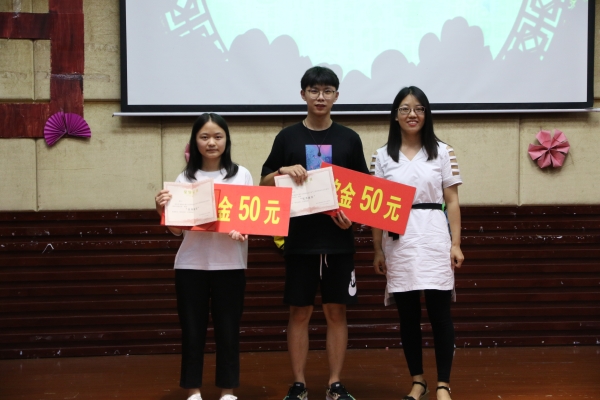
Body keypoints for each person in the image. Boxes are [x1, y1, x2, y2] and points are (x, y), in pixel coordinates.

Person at [260, 66, 370, 400]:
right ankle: (299, 385)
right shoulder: (287, 137)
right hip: (299, 240)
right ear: (303, 94)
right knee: (299, 312)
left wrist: (352, 219)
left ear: (336, 96)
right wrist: (281, 170)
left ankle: (335, 384)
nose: (320, 97)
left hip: (338, 242)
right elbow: (264, 184)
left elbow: (363, 192)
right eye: (313, 90)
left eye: (327, 91)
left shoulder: (349, 138)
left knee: (337, 312)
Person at [371, 86, 464, 400]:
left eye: (419, 108)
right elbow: (375, 208)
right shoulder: (382, 156)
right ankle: (418, 381)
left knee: (440, 315)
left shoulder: (443, 151)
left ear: (427, 114)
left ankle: (443, 384)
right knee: (408, 316)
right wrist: (377, 249)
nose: (412, 114)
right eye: (405, 108)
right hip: (399, 241)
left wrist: (456, 244)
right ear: (395, 115)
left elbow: (452, 201)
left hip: (434, 236)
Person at [155, 113, 253, 400]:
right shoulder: (185, 178)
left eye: (218, 136)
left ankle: (227, 391)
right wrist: (162, 210)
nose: (212, 142)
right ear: (195, 141)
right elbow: (177, 230)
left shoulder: (241, 175)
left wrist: (243, 230)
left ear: (226, 140)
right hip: (191, 265)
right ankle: (194, 391)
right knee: (192, 331)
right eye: (205, 137)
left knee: (228, 330)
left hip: (230, 264)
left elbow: (250, 218)